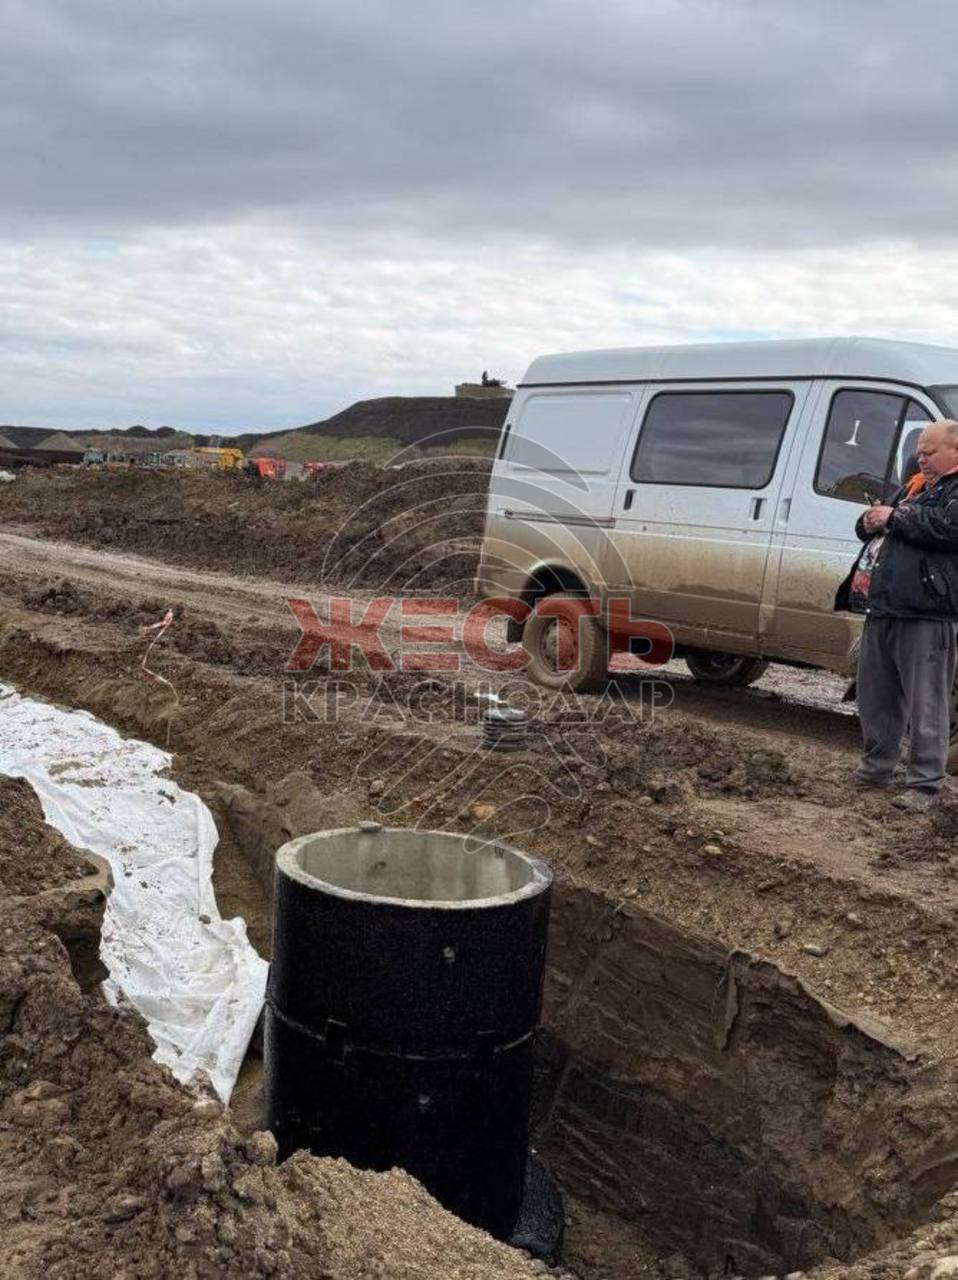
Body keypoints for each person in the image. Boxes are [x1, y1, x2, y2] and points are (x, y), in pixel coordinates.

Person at [835, 420, 958, 811]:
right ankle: (876, 770)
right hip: (884, 605)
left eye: (929, 451)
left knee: (926, 702)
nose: (920, 457)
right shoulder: (915, 487)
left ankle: (924, 784)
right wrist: (870, 518)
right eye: (920, 450)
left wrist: (893, 517)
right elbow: (879, 523)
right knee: (876, 695)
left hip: (927, 612)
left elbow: (945, 529)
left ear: (955, 452)